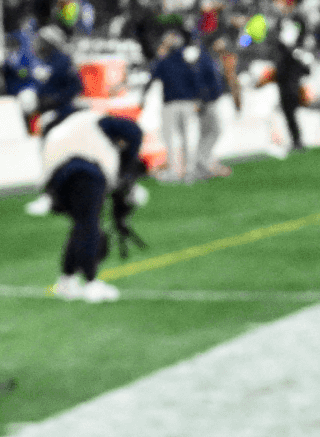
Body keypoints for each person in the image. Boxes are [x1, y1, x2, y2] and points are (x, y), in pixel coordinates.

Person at [36, 105, 148, 303]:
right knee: (89, 227)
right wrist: (127, 164)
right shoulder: (96, 120)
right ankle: (91, 283)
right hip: (85, 172)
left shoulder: (62, 128)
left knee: (81, 225)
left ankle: (67, 280)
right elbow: (134, 131)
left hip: (55, 181)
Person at [150, 32, 202, 182]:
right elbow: (196, 81)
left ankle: (174, 172)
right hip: (187, 102)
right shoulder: (188, 62)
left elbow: (152, 77)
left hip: (171, 103)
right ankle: (189, 172)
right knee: (188, 138)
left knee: (172, 139)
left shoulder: (164, 62)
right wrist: (198, 99)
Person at [194, 35, 237, 179]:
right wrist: (202, 100)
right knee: (213, 131)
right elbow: (202, 82)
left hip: (209, 101)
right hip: (206, 102)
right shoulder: (204, 60)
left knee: (209, 132)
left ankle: (203, 163)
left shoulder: (211, 59)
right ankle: (202, 163)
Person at [274, 43, 311, 150]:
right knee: (293, 118)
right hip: (296, 93)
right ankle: (298, 141)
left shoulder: (281, 63)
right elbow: (307, 71)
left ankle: (297, 141)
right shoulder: (296, 61)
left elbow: (278, 77)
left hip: (286, 93)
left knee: (291, 119)